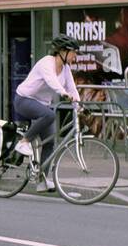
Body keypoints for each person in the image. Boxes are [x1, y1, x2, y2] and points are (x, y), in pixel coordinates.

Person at [13, 34, 80, 192]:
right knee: (49, 115)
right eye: (73, 52)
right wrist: (63, 93)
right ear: (62, 51)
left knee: (50, 143)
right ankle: (23, 141)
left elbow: (72, 88)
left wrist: (79, 105)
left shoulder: (65, 69)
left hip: (42, 105)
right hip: (24, 99)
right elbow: (52, 81)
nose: (75, 56)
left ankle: (41, 181)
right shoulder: (46, 63)